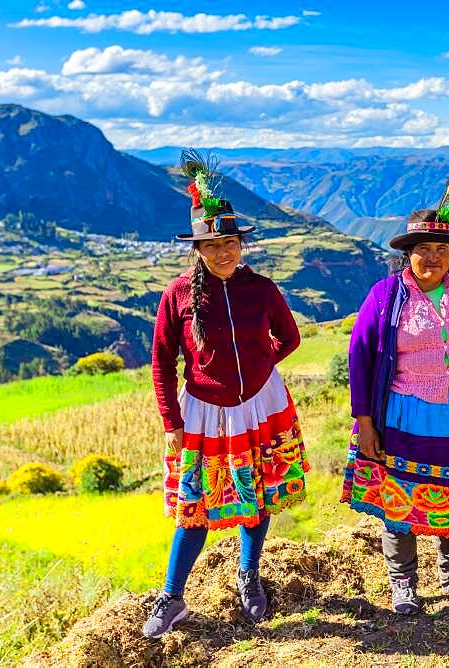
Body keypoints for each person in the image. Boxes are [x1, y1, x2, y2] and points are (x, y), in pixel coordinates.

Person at [143, 151, 308, 638]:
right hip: (203, 414)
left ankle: (248, 573)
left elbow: (290, 338)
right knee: (194, 505)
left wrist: (260, 369)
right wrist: (171, 421)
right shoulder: (178, 295)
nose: (223, 253)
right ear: (196, 248)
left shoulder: (260, 289)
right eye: (212, 245)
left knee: (255, 498)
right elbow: (161, 362)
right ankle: (173, 597)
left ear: (241, 244)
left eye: (230, 243)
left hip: (261, 405)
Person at [341, 176, 449, 615]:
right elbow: (360, 355)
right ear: (406, 253)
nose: (432, 258)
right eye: (423, 250)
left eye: (441, 250)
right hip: (407, 411)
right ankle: (404, 582)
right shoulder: (386, 297)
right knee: (403, 494)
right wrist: (365, 421)